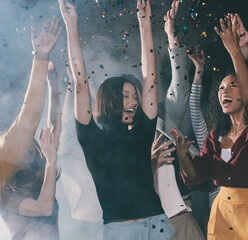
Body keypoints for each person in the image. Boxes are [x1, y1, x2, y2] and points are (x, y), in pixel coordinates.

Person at [59, 0, 175, 239]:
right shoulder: (91, 137)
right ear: (109, 99)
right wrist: (71, 25)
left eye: (135, 96)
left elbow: (151, 79)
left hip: (157, 225)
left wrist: (144, 26)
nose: (133, 101)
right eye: (126, 96)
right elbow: (80, 84)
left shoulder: (142, 131)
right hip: (118, 231)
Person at [171, 14, 248, 240]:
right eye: (221, 88)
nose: (225, 91)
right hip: (220, 212)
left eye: (233, 85)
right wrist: (183, 158)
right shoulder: (214, 137)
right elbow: (195, 176)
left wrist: (235, 51)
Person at [0, 17, 62, 240]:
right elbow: (42, 208)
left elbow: (54, 126)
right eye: (22, 147)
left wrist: (54, 90)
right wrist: (41, 57)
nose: (27, 150)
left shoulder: (38, 169)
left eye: (30, 147)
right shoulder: (5, 190)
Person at [151, 1, 205, 239]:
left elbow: (180, 85)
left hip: (181, 217)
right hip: (146, 221)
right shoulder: (119, 135)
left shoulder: (164, 120)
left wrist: (171, 35)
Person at [55, 63, 103, 240]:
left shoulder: (103, 145)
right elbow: (66, 119)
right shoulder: (69, 150)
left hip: (109, 219)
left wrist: (85, 83)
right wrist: (73, 85)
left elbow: (108, 111)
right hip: (80, 225)